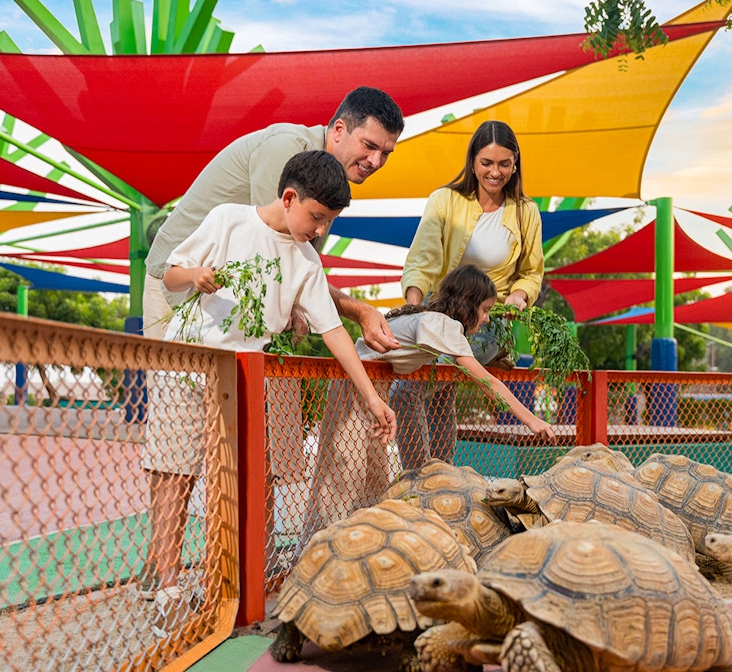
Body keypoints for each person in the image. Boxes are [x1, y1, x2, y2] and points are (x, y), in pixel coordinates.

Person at [142, 151, 397, 633]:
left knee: (238, 482)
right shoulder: (228, 220)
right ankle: (168, 589)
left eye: (328, 222)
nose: (319, 231)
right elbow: (172, 272)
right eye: (316, 217)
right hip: (185, 364)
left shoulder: (305, 262)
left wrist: (371, 397)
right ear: (288, 197)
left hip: (237, 380)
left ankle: (228, 584)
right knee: (174, 472)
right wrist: (193, 277)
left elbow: (335, 333)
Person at [143, 85, 405, 352]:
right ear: (339, 130)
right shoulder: (288, 148)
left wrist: (298, 309)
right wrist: (360, 312)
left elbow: (296, 268)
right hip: (180, 284)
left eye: (385, 153)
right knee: (178, 390)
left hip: (232, 301)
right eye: (369, 146)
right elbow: (274, 260)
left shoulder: (329, 180)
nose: (375, 161)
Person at [303, 265, 555, 541]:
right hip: (357, 389)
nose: (485, 319)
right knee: (344, 476)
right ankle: (314, 546)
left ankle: (355, 542)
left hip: (372, 391)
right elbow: (488, 382)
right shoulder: (442, 325)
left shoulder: (436, 322)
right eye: (484, 310)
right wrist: (532, 420)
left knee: (372, 478)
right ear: (467, 304)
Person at [394, 120, 544, 468]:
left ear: (516, 162)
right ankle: (440, 477)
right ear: (472, 161)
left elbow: (532, 272)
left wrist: (519, 296)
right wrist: (413, 312)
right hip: (440, 316)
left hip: (487, 323)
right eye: (487, 163)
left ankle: (419, 478)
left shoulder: (526, 212)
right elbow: (423, 258)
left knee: (413, 387)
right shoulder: (444, 201)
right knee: (439, 391)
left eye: (504, 163)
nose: (496, 172)